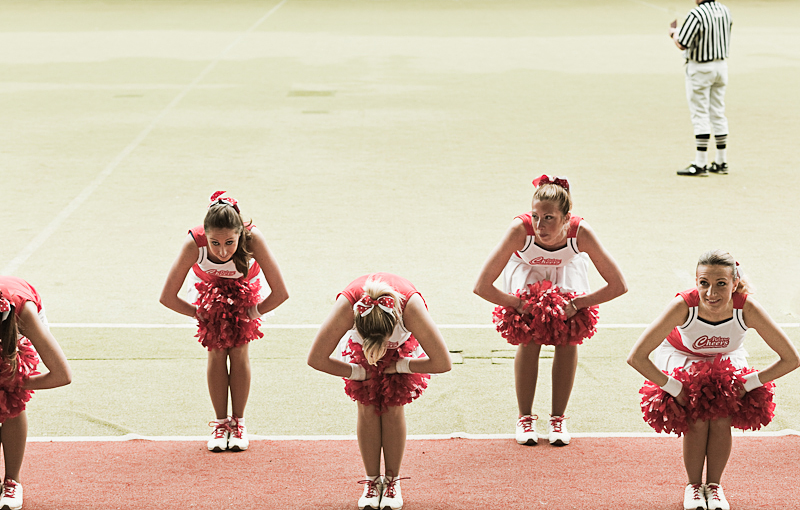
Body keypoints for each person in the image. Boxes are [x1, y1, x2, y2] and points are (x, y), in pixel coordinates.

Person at [628, 250, 799, 510]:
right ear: (696, 282)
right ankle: (693, 487)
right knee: (698, 415)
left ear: (734, 284)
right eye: (704, 283)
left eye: (721, 284)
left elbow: (791, 358)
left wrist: (748, 383)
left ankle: (715, 487)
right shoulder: (683, 305)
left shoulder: (747, 307)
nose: (711, 293)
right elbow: (637, 357)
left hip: (727, 356)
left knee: (721, 417)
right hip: (681, 354)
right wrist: (675, 389)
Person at [474, 175, 626, 447]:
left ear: (566, 218)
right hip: (526, 269)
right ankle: (525, 417)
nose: (540, 225)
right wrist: (519, 304)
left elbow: (618, 285)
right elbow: (482, 286)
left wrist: (577, 304)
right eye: (536, 216)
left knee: (567, 340)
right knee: (529, 340)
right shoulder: (520, 231)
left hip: (567, 270)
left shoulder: (581, 233)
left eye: (549, 218)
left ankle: (558, 418)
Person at [307, 273, 451, 510]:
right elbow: (316, 358)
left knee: (393, 407)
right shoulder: (347, 306)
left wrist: (401, 366)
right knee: (367, 407)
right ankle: (372, 480)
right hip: (359, 354)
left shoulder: (410, 308)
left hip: (401, 351)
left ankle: (393, 480)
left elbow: (442, 362)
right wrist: (358, 373)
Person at [160, 191, 288, 452]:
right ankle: (220, 424)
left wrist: (253, 312)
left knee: (239, 351)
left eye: (229, 242)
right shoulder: (193, 242)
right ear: (205, 236)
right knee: (217, 351)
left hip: (245, 291)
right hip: (208, 292)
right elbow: (167, 297)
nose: (222, 251)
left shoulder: (253, 239)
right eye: (214, 243)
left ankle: (238, 423)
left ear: (240, 233)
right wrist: (198, 313)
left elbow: (281, 292)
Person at [0, 276, 72, 510]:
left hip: (17, 322)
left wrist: (14, 383)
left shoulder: (24, 315)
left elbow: (62, 375)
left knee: (10, 400)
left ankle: (12, 480)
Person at [671, 0, 733, 177]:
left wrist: (673, 33)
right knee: (718, 111)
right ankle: (721, 161)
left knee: (700, 114)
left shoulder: (696, 14)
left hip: (700, 68)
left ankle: (700, 163)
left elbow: (683, 43)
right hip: (721, 65)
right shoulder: (725, 11)